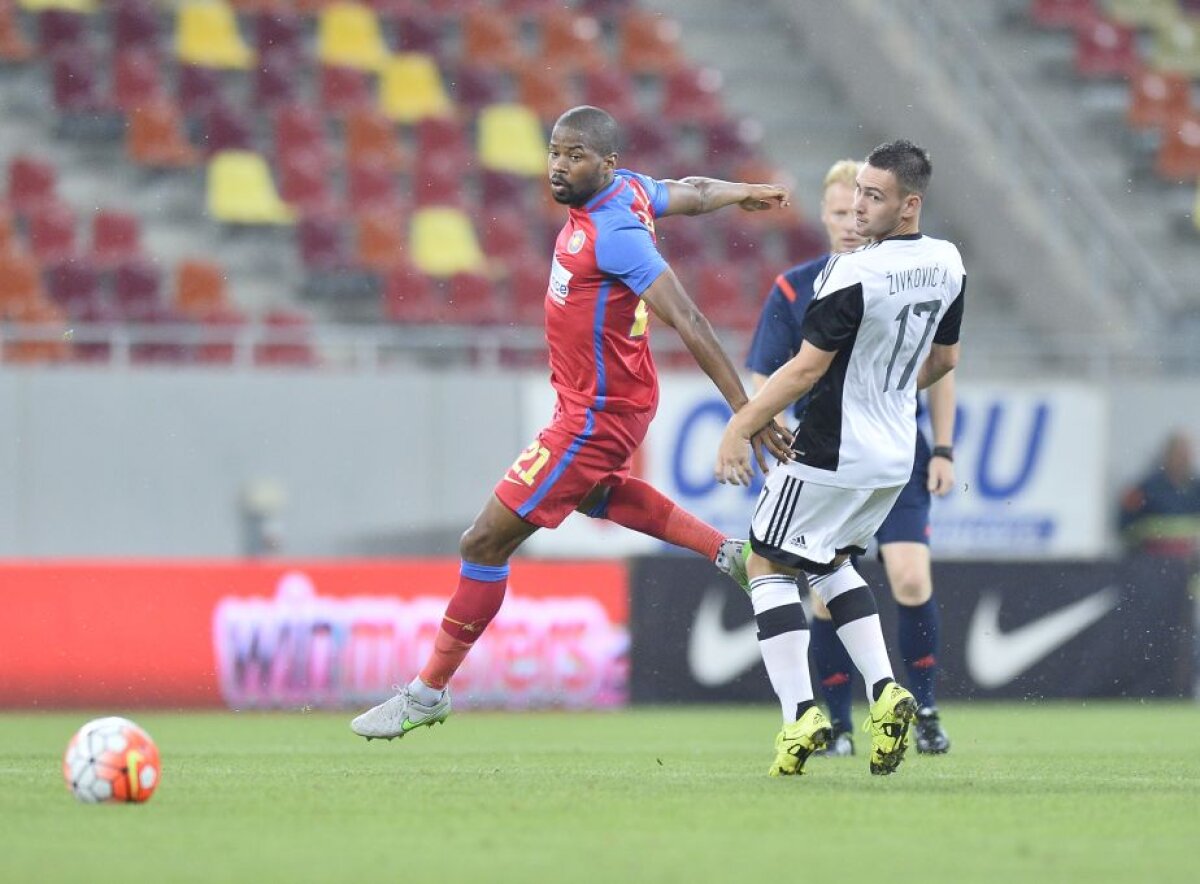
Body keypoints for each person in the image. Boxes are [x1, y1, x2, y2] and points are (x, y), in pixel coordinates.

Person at [351, 105, 794, 740]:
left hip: (597, 413)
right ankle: (726, 553)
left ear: (606, 164)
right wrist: (740, 192)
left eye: (575, 155)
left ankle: (427, 693)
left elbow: (689, 320)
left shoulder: (615, 232)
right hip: (595, 399)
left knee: (482, 542)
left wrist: (746, 413)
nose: (559, 166)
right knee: (591, 493)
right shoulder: (632, 188)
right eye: (555, 151)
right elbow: (690, 192)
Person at [715, 139, 964, 777]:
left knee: (765, 560)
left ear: (908, 206)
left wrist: (739, 427)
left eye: (872, 196)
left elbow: (801, 370)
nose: (858, 207)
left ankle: (800, 715)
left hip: (830, 448)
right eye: (857, 192)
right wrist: (887, 389)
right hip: (891, 456)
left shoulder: (853, 273)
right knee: (827, 563)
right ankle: (887, 692)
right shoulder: (946, 261)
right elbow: (944, 361)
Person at [1118, 430, 1200, 559]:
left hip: (1191, 567)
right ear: (1167, 455)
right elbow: (1126, 529)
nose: (1183, 460)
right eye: (1179, 454)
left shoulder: (1196, 490)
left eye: (1186, 455)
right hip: (1154, 565)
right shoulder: (1145, 490)